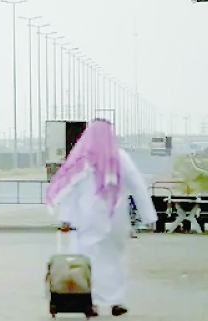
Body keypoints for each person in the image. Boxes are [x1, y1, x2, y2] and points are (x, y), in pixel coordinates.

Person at [45, 119, 157, 317]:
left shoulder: (82, 159)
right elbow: (138, 186)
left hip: (86, 219)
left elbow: (71, 190)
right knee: (115, 259)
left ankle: (90, 302)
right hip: (116, 218)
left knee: (87, 260)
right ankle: (116, 301)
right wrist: (148, 216)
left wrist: (66, 218)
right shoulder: (120, 157)